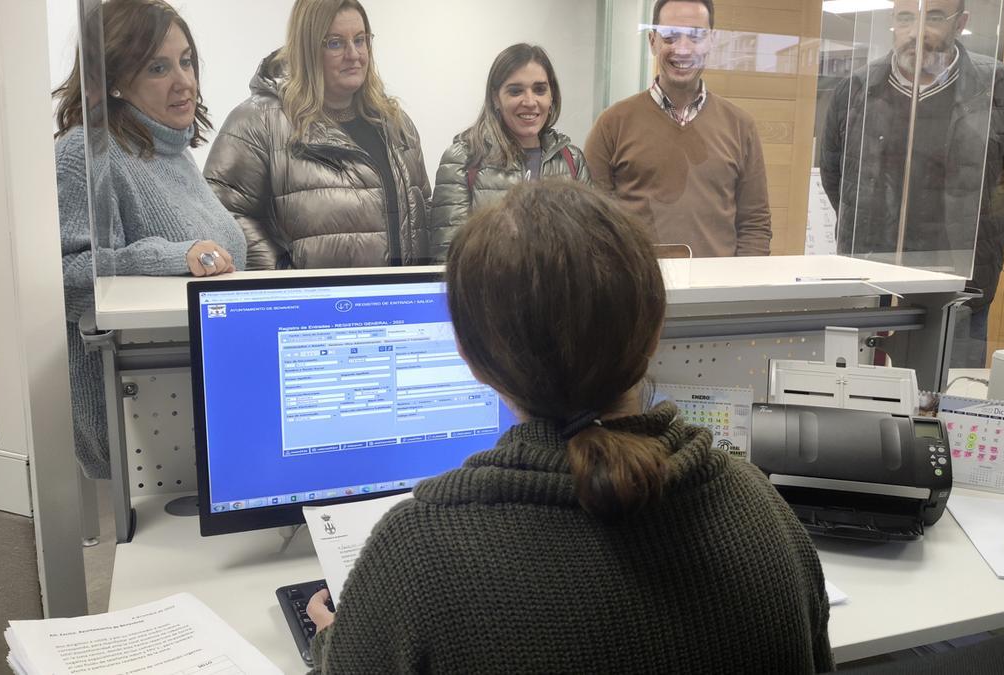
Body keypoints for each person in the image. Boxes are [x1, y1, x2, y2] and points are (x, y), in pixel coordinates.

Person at [303, 181, 833, 672]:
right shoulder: (762, 511)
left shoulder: (417, 557)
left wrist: (337, 641)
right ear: (653, 335)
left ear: (471, 359)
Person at [53, 0, 245, 479]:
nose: (184, 81)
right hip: (147, 422)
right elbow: (68, 279)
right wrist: (175, 257)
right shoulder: (87, 152)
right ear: (115, 78)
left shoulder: (172, 153)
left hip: (196, 400)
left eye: (187, 61)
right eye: (158, 67)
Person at [819, 0, 1004, 367]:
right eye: (906, 18)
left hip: (958, 288)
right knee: (860, 405)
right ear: (893, 22)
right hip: (871, 282)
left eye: (935, 17)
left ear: (961, 23)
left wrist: (978, 237)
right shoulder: (857, 89)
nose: (918, 31)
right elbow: (836, 178)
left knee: (944, 405)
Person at [204, 0, 432, 270]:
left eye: (360, 40)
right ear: (307, 48)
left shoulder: (395, 124)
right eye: (335, 43)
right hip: (312, 307)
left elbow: (424, 210)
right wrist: (282, 276)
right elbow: (223, 214)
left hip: (399, 303)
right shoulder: (258, 122)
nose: (354, 55)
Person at [584, 0, 772, 258]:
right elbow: (591, 224)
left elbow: (755, 225)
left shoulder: (741, 127)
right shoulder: (612, 123)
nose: (682, 50)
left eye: (695, 37)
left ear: (712, 42)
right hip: (639, 290)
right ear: (652, 41)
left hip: (717, 293)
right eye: (670, 37)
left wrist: (741, 288)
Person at [429, 44, 592, 261]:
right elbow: (448, 259)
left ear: (552, 96)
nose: (530, 101)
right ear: (496, 98)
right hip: (486, 293)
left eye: (540, 89)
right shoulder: (463, 160)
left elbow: (591, 247)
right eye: (516, 91)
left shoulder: (572, 160)